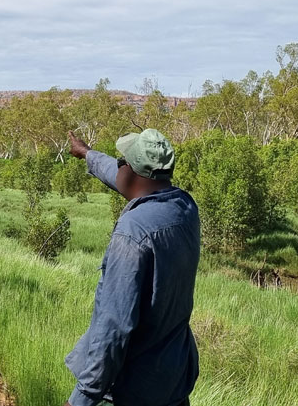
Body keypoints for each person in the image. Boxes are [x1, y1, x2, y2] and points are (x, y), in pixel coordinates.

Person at [63, 129, 200, 406]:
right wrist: (87, 153)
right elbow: (120, 177)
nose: (118, 166)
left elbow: (114, 326)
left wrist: (83, 398)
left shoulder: (133, 232)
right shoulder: (184, 206)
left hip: (135, 388)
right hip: (173, 378)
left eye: (121, 161)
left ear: (134, 173)